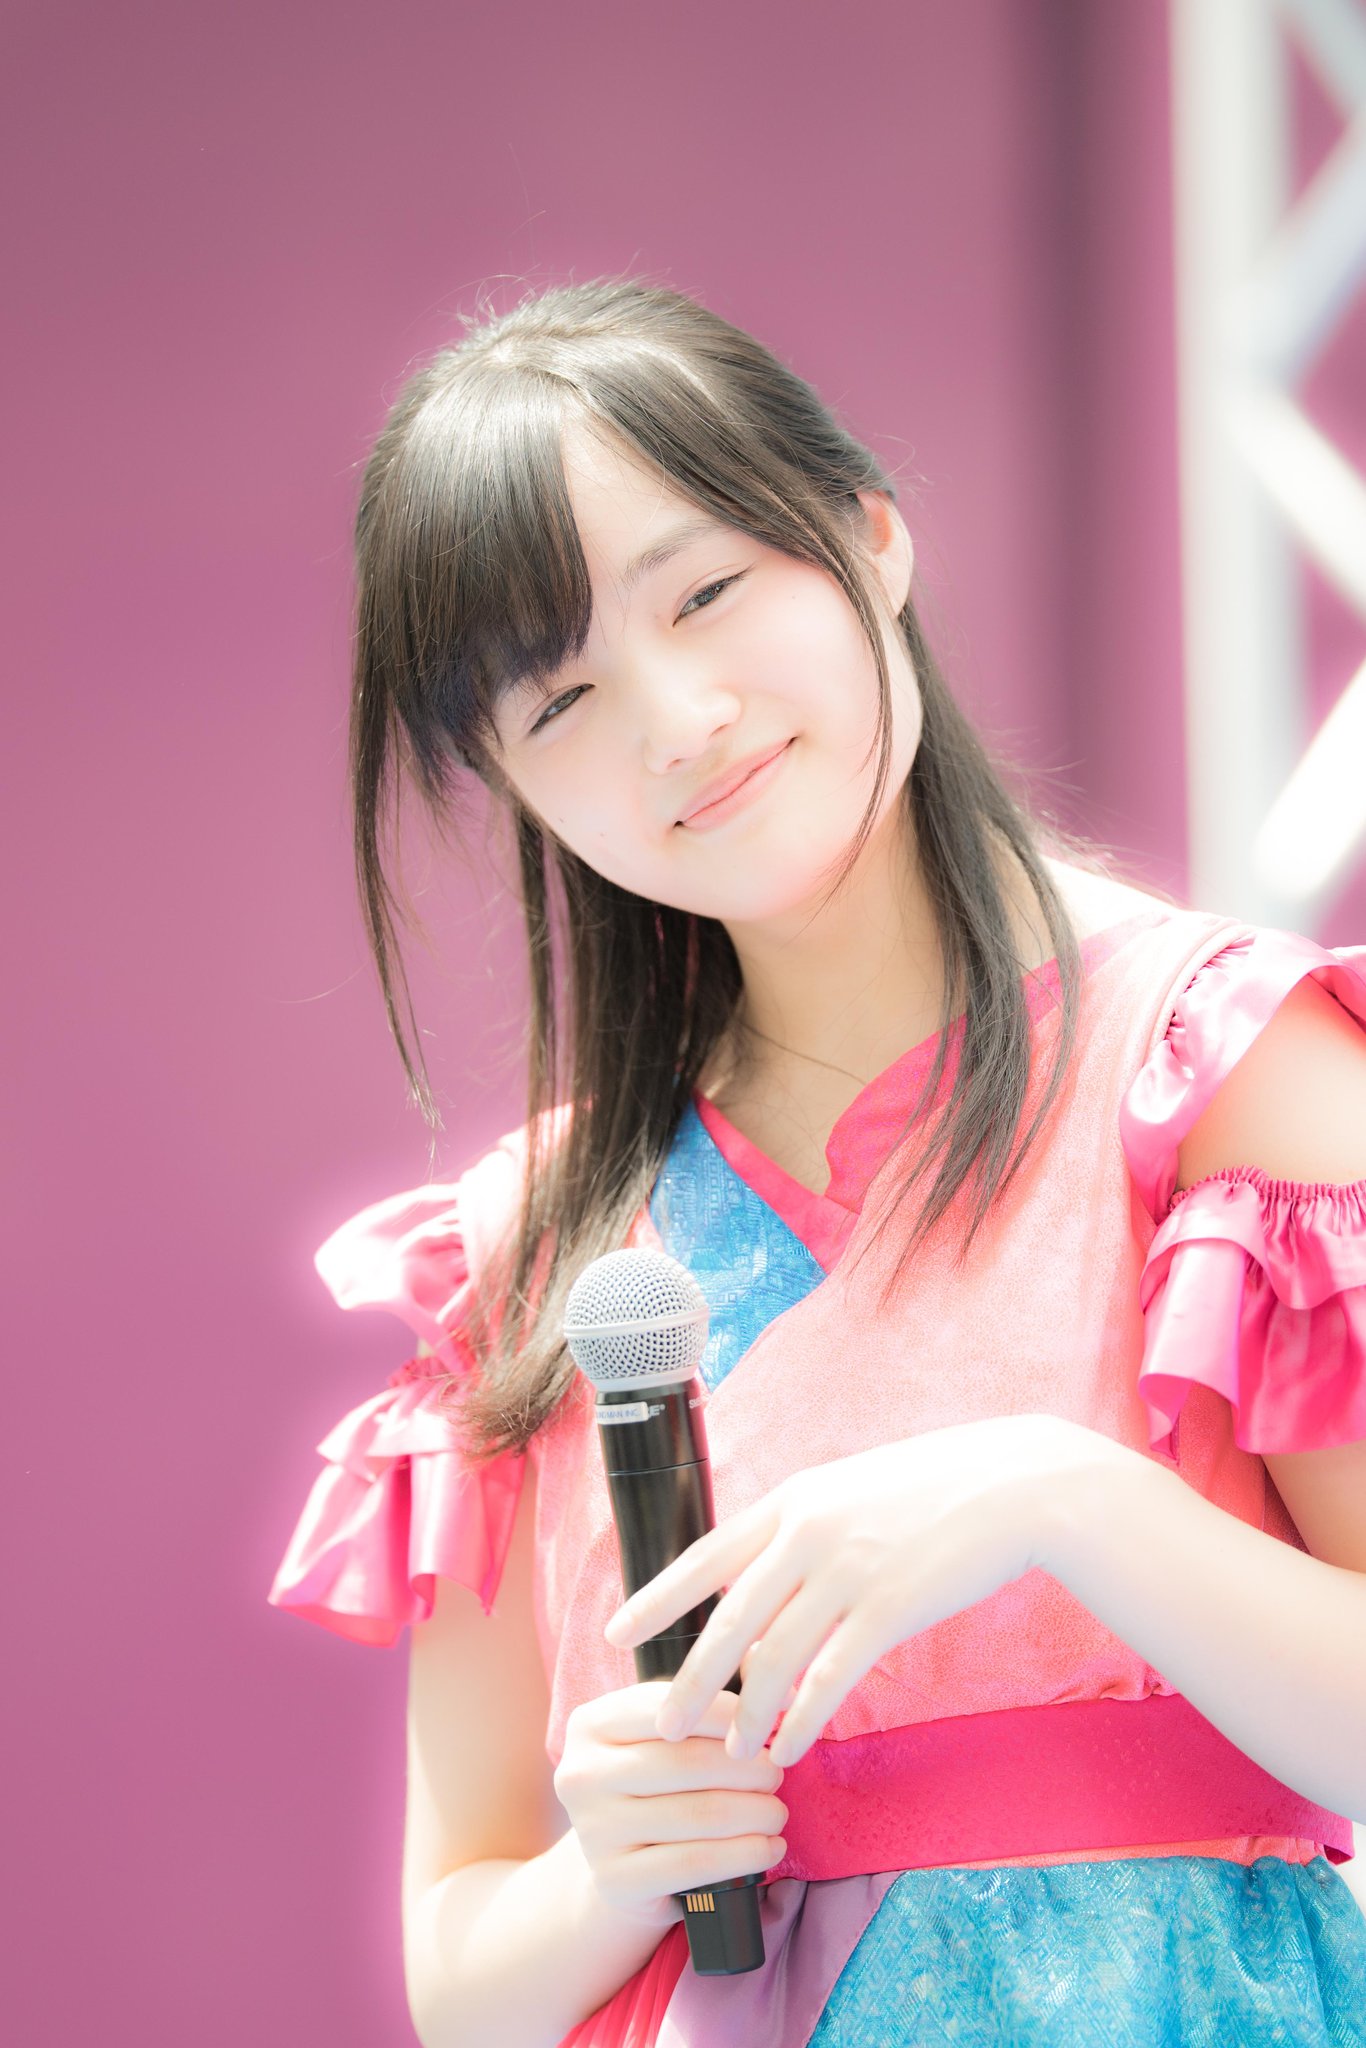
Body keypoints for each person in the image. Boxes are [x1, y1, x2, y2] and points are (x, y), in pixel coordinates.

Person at [267, 277, 1366, 2046]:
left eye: (704, 591)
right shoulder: (522, 1251)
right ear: (512, 784)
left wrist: (1059, 1497)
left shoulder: (1218, 1064)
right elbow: (461, 1978)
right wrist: (611, 1866)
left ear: (866, 533)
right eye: (560, 697)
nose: (678, 715)